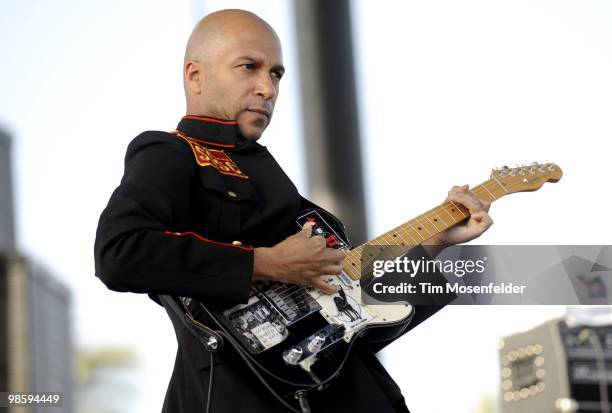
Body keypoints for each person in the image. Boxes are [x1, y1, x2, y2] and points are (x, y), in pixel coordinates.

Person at [94, 9, 493, 413]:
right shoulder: (171, 153)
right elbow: (119, 252)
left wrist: (432, 244)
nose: (267, 88)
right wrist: (266, 262)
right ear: (195, 76)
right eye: (249, 67)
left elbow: (353, 322)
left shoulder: (287, 195)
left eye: (276, 74)